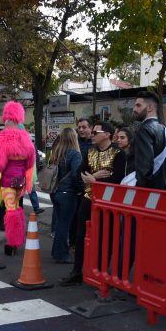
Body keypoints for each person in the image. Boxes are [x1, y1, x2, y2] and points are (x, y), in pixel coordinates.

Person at [60, 121, 125, 285]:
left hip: (109, 204)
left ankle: (102, 273)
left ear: (107, 135)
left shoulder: (118, 153)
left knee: (106, 237)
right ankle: (77, 271)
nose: (92, 135)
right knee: (81, 235)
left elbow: (117, 179)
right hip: (89, 199)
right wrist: (96, 177)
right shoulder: (90, 151)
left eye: (96, 133)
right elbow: (80, 172)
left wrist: (93, 178)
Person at [0, 102, 37, 256]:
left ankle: (12, 242)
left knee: (10, 209)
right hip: (21, 180)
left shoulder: (4, 137)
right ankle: (17, 240)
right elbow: (31, 161)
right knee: (16, 207)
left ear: (7, 119)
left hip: (8, 181)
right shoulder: (26, 138)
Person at [49, 127, 82, 263]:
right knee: (64, 225)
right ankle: (62, 254)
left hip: (55, 192)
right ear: (74, 138)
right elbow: (76, 174)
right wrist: (80, 188)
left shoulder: (56, 153)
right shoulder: (74, 154)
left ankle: (56, 251)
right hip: (68, 193)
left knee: (59, 224)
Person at [131, 91, 166, 189]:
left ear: (150, 107)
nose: (134, 109)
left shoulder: (144, 129)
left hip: (147, 190)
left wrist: (140, 188)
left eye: (138, 105)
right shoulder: (164, 129)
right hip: (162, 187)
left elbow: (145, 166)